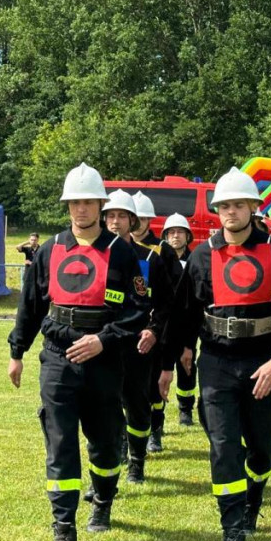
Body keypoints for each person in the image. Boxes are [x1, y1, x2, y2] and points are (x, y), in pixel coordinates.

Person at [159, 167, 271, 541]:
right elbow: (183, 313)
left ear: (253, 208)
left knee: (262, 446)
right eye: (224, 206)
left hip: (261, 363)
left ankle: (253, 499)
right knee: (223, 447)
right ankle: (231, 532)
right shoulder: (202, 255)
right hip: (217, 362)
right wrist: (173, 359)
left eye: (238, 205)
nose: (231, 212)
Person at [7, 162, 145, 541]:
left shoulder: (122, 254)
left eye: (88, 202)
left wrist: (103, 341)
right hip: (56, 357)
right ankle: (63, 528)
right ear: (67, 206)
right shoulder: (50, 249)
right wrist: (17, 352)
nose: (81, 209)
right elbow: (30, 306)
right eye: (74, 203)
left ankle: (102, 503)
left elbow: (138, 310)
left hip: (103, 361)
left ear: (101, 204)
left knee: (103, 442)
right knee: (61, 442)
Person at [101, 189, 173, 483]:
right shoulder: (96, 256)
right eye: (111, 216)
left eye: (122, 216)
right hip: (103, 344)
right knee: (106, 404)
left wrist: (153, 331)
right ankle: (116, 450)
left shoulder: (150, 258)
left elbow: (166, 304)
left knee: (137, 405)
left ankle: (137, 461)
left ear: (132, 221)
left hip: (139, 347)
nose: (115, 222)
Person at [129, 190, 180, 451]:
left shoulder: (163, 252)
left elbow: (172, 295)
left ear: (148, 221)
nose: (136, 223)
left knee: (154, 387)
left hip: (158, 328)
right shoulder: (116, 249)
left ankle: (155, 431)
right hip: (129, 331)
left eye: (141, 218)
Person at [160, 212, 198, 427]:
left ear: (188, 236)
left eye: (180, 232)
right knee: (159, 371)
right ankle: (158, 413)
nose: (176, 236)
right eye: (172, 232)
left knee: (187, 367)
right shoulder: (157, 260)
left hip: (186, 325)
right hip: (163, 326)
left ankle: (185, 409)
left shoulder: (195, 260)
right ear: (165, 236)